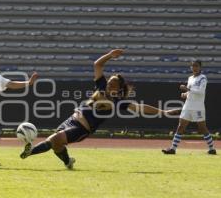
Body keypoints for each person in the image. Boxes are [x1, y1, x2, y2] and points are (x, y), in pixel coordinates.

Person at [20, 49, 174, 169]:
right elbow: (97, 65)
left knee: (53, 140)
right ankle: (68, 162)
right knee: (57, 145)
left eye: (113, 83)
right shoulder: (101, 86)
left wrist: (162, 112)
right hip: (72, 119)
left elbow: (141, 108)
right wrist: (110, 55)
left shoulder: (119, 101)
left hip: (81, 129)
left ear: (119, 88)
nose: (109, 84)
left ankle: (29, 152)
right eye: (109, 81)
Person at [162, 60, 217, 155]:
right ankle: (173, 149)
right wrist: (186, 94)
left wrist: (188, 89)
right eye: (193, 66)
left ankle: (212, 148)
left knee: (202, 128)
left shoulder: (203, 78)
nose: (194, 68)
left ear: (200, 67)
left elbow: (200, 92)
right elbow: (191, 92)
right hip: (187, 106)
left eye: (196, 66)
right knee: (180, 127)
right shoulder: (190, 78)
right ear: (191, 67)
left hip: (198, 107)